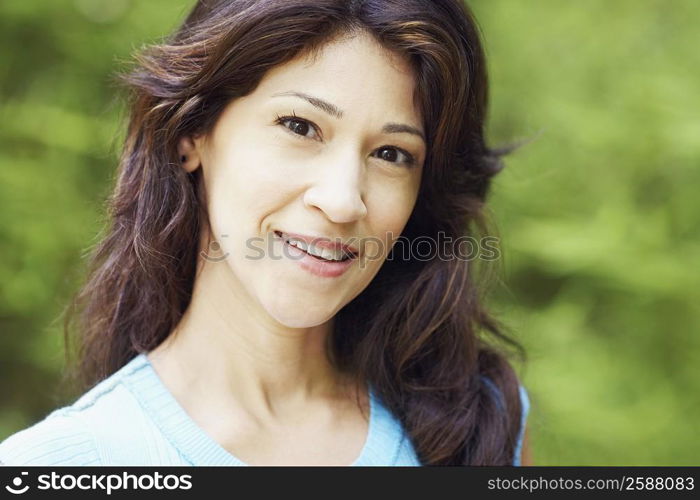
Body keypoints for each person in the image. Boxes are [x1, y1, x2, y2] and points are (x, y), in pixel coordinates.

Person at [0, 0, 531, 466]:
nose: (344, 199)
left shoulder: (479, 427)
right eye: (300, 126)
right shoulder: (65, 462)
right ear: (193, 133)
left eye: (392, 154)